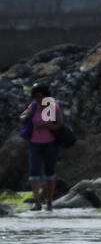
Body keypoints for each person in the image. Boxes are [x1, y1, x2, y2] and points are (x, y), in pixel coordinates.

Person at [20, 83, 62, 211]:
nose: (38, 99)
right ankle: (37, 202)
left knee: (50, 173)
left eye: (40, 97)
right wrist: (26, 116)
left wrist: (46, 125)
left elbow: (59, 125)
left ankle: (49, 202)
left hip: (51, 143)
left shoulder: (53, 107)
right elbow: (21, 117)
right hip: (34, 143)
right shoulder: (32, 106)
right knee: (34, 172)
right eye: (36, 97)